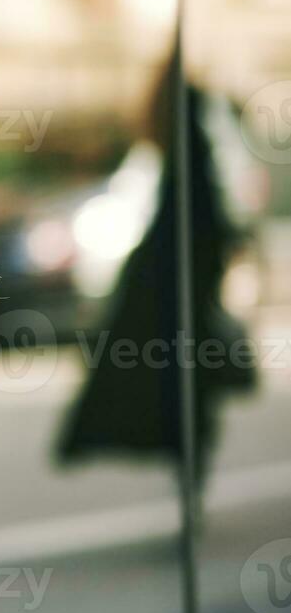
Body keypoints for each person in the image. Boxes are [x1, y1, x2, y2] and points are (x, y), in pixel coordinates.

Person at [54, 43, 258, 516]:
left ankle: (190, 463)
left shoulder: (171, 110)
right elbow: (205, 191)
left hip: (171, 263)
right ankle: (193, 463)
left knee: (177, 372)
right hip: (185, 264)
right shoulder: (191, 112)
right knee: (189, 372)